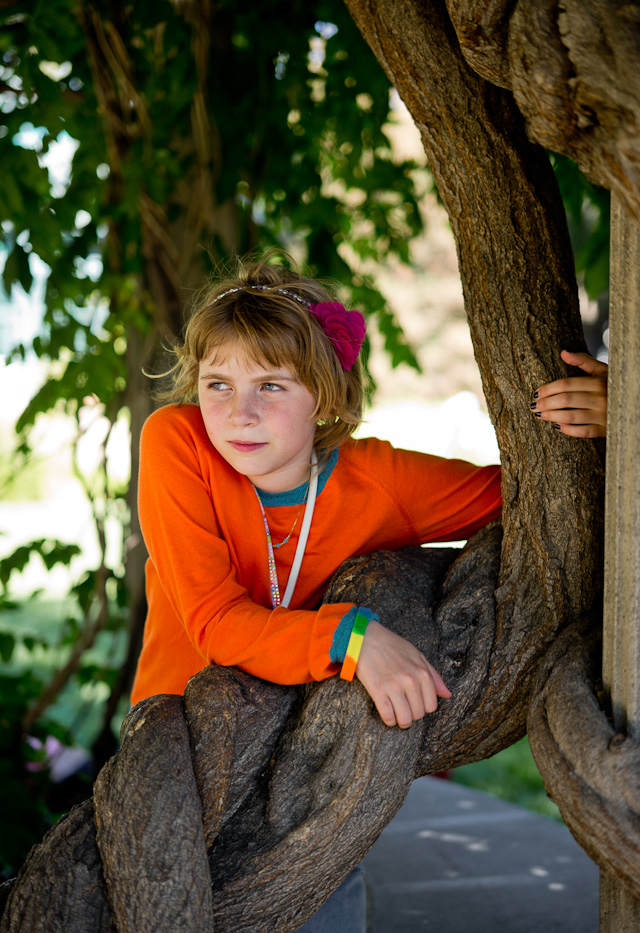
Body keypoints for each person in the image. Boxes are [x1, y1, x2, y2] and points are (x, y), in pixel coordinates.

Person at [130, 252, 607, 931]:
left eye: (271, 385)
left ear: (322, 393)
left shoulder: (374, 479)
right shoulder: (177, 444)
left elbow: (535, 496)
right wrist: (351, 637)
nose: (238, 413)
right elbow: (215, 619)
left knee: (321, 901)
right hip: (180, 758)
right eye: (217, 384)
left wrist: (616, 420)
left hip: (304, 767)